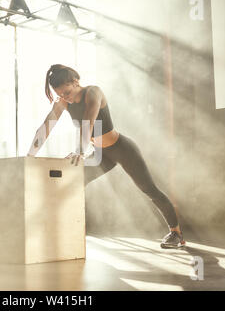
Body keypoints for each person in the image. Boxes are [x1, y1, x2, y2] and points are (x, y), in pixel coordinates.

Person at [27, 64, 185, 249]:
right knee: (75, 181)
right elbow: (45, 128)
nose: (65, 98)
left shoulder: (93, 92)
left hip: (122, 149)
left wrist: (79, 150)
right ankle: (64, 232)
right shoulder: (63, 102)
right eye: (60, 95)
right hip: (101, 154)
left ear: (75, 82)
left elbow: (89, 122)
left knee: (149, 190)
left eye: (67, 92)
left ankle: (176, 233)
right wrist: (29, 156)